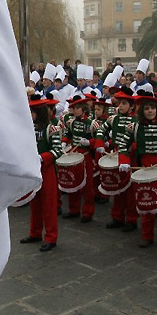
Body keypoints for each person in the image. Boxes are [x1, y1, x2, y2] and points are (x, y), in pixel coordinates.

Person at [118, 91, 157, 248]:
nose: (150, 111)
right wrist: (123, 160)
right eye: (146, 109)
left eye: (152, 108)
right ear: (141, 111)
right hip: (144, 168)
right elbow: (123, 145)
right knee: (146, 201)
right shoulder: (134, 127)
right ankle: (146, 235)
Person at [20, 94, 62, 250]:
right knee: (34, 203)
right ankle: (35, 232)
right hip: (33, 170)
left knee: (49, 205)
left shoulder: (51, 128)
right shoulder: (28, 128)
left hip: (47, 170)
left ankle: (51, 237)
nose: (30, 115)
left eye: (33, 111)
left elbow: (58, 150)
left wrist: (42, 157)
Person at [95, 86, 138, 232]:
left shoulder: (136, 120)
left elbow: (140, 139)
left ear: (131, 105)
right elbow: (101, 130)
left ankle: (131, 219)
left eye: (124, 103)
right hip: (115, 155)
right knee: (117, 188)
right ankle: (117, 217)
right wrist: (100, 143)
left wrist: (132, 147)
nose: (121, 106)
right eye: (120, 103)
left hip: (131, 157)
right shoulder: (113, 118)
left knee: (130, 191)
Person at [61, 93, 95, 223]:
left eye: (75, 108)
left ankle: (88, 211)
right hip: (73, 155)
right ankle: (73, 209)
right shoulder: (71, 122)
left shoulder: (91, 123)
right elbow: (68, 134)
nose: (73, 110)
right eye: (72, 108)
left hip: (85, 156)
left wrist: (89, 143)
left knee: (87, 185)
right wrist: (64, 141)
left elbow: (97, 138)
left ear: (83, 109)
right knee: (73, 182)